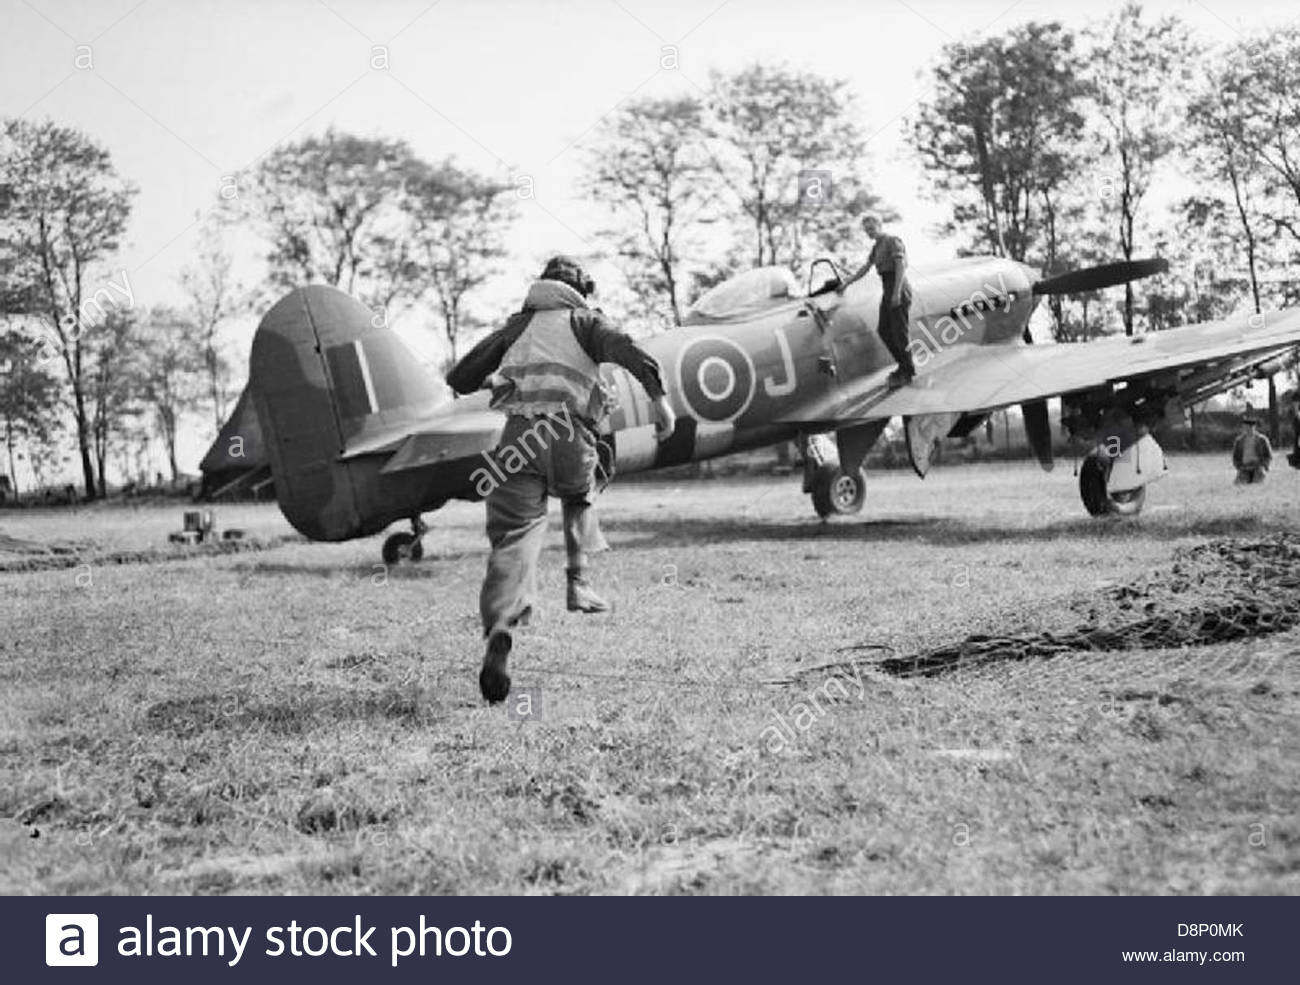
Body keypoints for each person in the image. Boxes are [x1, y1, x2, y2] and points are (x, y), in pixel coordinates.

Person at [446, 256, 676, 703]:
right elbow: (627, 348)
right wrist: (659, 399)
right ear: (578, 290)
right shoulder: (586, 321)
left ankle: (500, 624)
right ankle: (578, 582)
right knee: (580, 494)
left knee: (513, 536)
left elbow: (460, 375)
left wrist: (499, 376)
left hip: (518, 441)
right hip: (570, 434)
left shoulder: (517, 326)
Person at [839, 213, 915, 387]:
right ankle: (903, 365)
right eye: (866, 230)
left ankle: (907, 371)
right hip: (887, 288)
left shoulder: (892, 240)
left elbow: (900, 266)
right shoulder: (876, 247)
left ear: (880, 225)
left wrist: (896, 293)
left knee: (899, 333)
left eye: (871, 228)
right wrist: (847, 283)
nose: (869, 232)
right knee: (884, 330)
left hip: (898, 285)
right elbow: (865, 268)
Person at [1232, 415, 1272, 484]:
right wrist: (1239, 467)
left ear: (1254, 427)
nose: (1248, 429)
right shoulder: (1239, 441)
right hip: (1244, 467)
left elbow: (1268, 455)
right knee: (1239, 484)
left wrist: (1264, 466)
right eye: (1246, 427)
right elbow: (1235, 457)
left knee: (1257, 484)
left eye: (1250, 427)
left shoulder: (1262, 440)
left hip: (1258, 467)